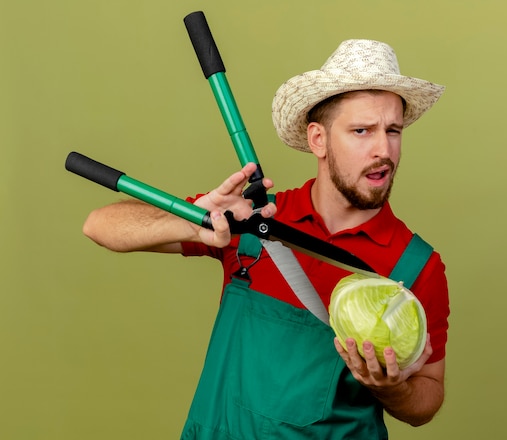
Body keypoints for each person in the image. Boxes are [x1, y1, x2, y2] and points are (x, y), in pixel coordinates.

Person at [82, 39, 449, 439]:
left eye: (393, 130)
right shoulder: (251, 219)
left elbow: (425, 402)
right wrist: (195, 223)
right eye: (362, 130)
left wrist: (393, 389)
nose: (383, 149)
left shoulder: (415, 266)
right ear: (318, 140)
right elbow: (101, 226)